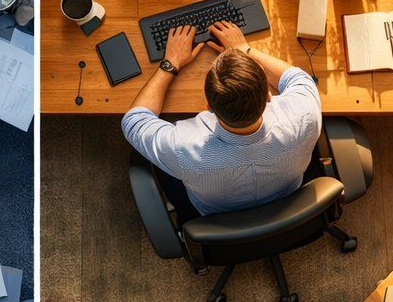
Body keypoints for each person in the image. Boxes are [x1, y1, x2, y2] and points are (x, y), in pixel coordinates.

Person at [121, 21, 322, 223]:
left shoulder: (183, 147)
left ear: (208, 105)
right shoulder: (304, 113)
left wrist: (170, 63)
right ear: (268, 96)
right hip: (289, 202)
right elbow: (298, 77)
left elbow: (134, 121)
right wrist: (245, 49)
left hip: (218, 218)